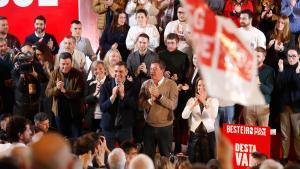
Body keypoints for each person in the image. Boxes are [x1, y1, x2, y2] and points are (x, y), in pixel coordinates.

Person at [138, 60, 178, 159]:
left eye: (155, 69)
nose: (152, 71)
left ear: (162, 70)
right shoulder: (145, 84)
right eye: (151, 69)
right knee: (148, 157)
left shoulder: (172, 84)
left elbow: (173, 105)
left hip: (165, 127)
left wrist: (159, 96)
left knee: (165, 157)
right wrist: (151, 100)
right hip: (149, 126)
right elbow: (140, 106)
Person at [159, 33, 190, 153]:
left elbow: (186, 74)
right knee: (163, 120)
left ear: (177, 43)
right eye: (168, 42)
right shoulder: (161, 54)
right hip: (163, 91)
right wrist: (163, 73)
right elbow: (156, 70)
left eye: (173, 43)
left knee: (177, 122)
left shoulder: (183, 56)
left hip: (178, 92)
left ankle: (177, 148)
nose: (170, 45)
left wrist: (179, 78)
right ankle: (163, 148)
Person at [46, 52, 85, 138]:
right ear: (59, 63)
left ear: (72, 63)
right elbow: (48, 92)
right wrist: (57, 88)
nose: (65, 66)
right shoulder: (54, 73)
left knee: (76, 138)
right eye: (63, 64)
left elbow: (80, 93)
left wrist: (64, 91)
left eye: (67, 64)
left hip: (75, 112)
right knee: (62, 138)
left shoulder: (78, 74)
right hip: (59, 112)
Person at [99, 61, 137, 150]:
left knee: (127, 156)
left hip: (125, 128)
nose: (118, 74)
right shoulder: (105, 86)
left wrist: (123, 95)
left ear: (126, 72)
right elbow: (102, 107)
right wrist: (112, 98)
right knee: (108, 157)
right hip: (108, 128)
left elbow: (134, 106)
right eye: (116, 71)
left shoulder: (132, 86)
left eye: (121, 71)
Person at [182, 78, 219, 163]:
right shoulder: (191, 100)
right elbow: (184, 116)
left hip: (208, 135)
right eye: (199, 85)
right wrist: (193, 105)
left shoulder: (213, 100)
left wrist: (204, 102)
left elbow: (213, 115)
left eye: (204, 85)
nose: (201, 87)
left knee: (208, 161)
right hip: (194, 135)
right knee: (193, 161)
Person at [276, 47, 300, 165]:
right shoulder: (283, 69)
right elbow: (279, 86)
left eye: (294, 56)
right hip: (284, 107)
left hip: (297, 108)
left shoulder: (299, 70)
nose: (291, 58)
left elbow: (298, 86)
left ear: (299, 57)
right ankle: (284, 156)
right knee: (285, 134)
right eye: (289, 56)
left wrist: (297, 72)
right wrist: (280, 70)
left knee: (298, 134)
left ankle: (299, 157)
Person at [12, 51, 48, 121]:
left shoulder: (36, 66)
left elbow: (44, 80)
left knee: (34, 125)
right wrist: (22, 76)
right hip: (21, 105)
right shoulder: (15, 71)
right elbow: (20, 88)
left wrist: (36, 75)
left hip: (35, 103)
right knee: (21, 125)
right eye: (24, 62)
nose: (26, 64)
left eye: (28, 61)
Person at [243, 47, 274, 126]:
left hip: (263, 106)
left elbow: (269, 91)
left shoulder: (269, 70)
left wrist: (259, 84)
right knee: (249, 133)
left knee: (262, 133)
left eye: (258, 56)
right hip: (248, 105)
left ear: (263, 58)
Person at [85, 61, 108, 131]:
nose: (98, 71)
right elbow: (85, 100)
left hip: (106, 118)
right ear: (92, 72)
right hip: (92, 118)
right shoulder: (89, 83)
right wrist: (95, 93)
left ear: (105, 70)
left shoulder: (110, 82)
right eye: (95, 69)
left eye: (100, 68)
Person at [0, 37, 14, 114]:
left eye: (5, 45)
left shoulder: (11, 56)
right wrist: (3, 82)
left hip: (12, 90)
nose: (4, 48)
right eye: (1, 46)